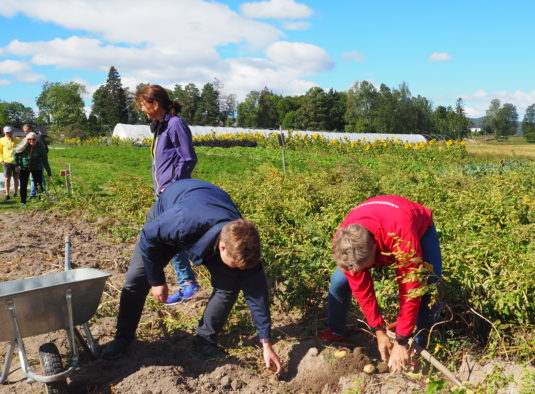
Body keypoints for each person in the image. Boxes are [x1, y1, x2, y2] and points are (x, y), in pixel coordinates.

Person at [100, 179, 282, 374]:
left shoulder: (242, 241)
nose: (239, 269)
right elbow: (149, 237)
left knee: (229, 284)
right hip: (170, 216)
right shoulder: (181, 221)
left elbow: (257, 293)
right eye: (235, 264)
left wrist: (266, 342)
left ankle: (204, 341)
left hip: (206, 207)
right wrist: (156, 280)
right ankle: (123, 338)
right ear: (222, 247)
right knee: (136, 280)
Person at [318, 195, 442, 372]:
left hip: (417, 228)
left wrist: (401, 340)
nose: (357, 273)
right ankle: (336, 330)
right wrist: (378, 330)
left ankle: (418, 347)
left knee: (431, 286)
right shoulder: (342, 240)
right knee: (339, 281)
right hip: (381, 225)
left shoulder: (401, 236)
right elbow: (362, 289)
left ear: (375, 250)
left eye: (361, 268)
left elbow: (410, 290)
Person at [135, 84, 200, 305]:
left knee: (169, 237)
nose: (142, 110)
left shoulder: (175, 125)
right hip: (163, 193)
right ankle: (187, 282)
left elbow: (188, 158)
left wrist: (173, 185)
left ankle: (188, 283)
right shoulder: (160, 127)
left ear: (155, 104)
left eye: (144, 105)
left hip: (172, 193)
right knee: (169, 237)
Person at [14, 132, 53, 206]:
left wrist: (49, 173)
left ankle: (41, 200)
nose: (31, 141)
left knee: (38, 185)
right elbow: (16, 154)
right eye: (29, 139)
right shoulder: (24, 146)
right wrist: (17, 165)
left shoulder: (41, 148)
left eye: (33, 139)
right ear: (27, 139)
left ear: (37, 139)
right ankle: (23, 202)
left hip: (36, 167)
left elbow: (45, 161)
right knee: (23, 185)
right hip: (24, 168)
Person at [21, 124, 48, 199]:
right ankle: (33, 194)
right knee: (32, 178)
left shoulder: (38, 137)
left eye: (26, 131)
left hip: (39, 161)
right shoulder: (27, 137)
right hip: (31, 162)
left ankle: (43, 193)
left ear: (30, 129)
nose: (25, 133)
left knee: (41, 178)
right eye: (24, 132)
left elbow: (43, 149)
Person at [0, 126, 20, 201]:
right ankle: (7, 194)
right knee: (7, 178)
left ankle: (16, 193)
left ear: (12, 132)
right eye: (7, 133)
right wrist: (2, 160)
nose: (8, 134)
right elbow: (0, 152)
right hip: (6, 162)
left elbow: (22, 148)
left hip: (16, 162)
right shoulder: (1, 140)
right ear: (4, 132)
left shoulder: (17, 140)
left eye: (10, 132)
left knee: (16, 178)